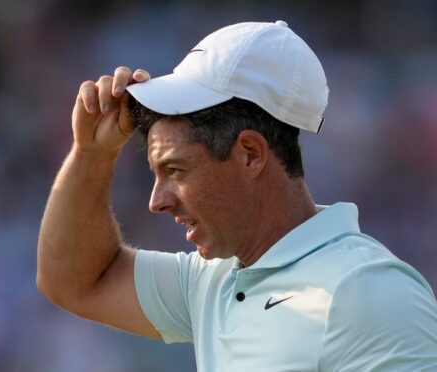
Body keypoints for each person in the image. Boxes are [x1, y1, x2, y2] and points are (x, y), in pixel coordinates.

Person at [37, 21, 437, 371]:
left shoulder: (368, 291)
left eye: (175, 171)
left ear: (250, 154)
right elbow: (74, 281)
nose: (157, 201)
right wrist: (92, 155)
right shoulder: (212, 278)